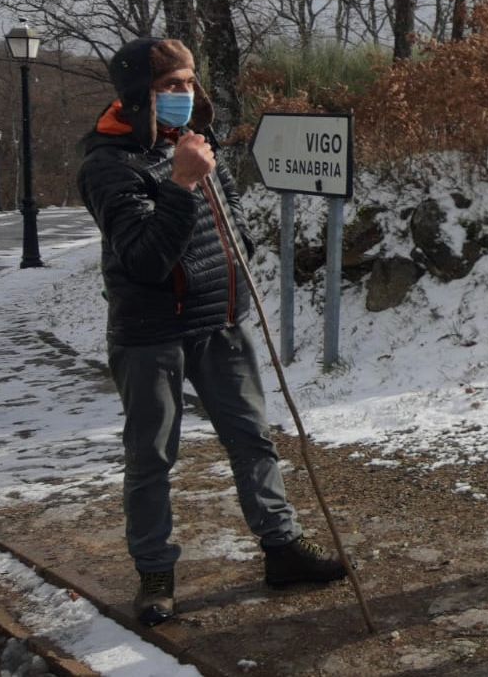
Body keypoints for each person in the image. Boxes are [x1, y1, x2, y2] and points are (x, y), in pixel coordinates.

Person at [78, 37, 346, 627]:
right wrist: (177, 184)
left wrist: (237, 251)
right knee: (152, 457)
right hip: (149, 335)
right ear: (136, 95)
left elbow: (223, 218)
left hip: (220, 323)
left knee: (254, 438)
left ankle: (281, 549)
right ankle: (155, 575)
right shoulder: (107, 163)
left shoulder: (192, 141)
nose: (186, 93)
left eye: (189, 81)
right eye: (170, 85)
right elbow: (145, 259)